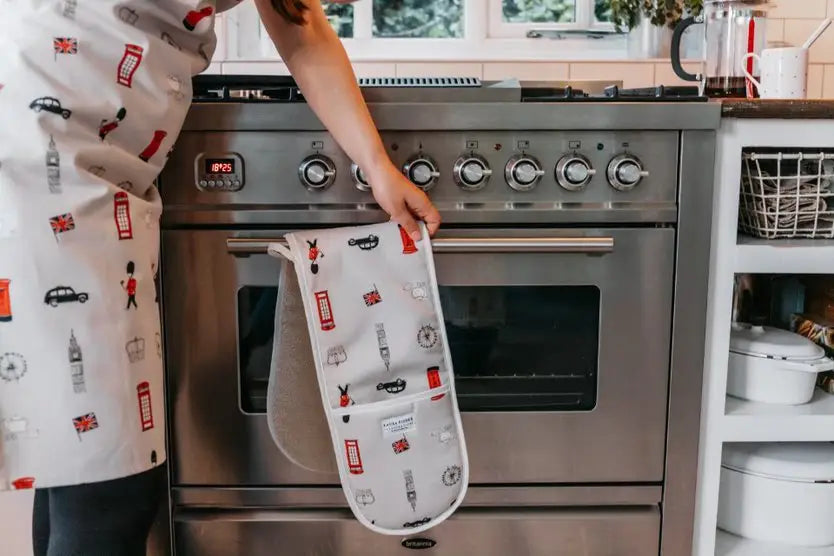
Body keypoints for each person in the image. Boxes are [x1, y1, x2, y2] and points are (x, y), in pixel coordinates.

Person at [0, 1, 441, 554]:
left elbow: (298, 22)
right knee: (110, 480)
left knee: (83, 455)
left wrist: (377, 166)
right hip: (46, 146)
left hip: (104, 149)